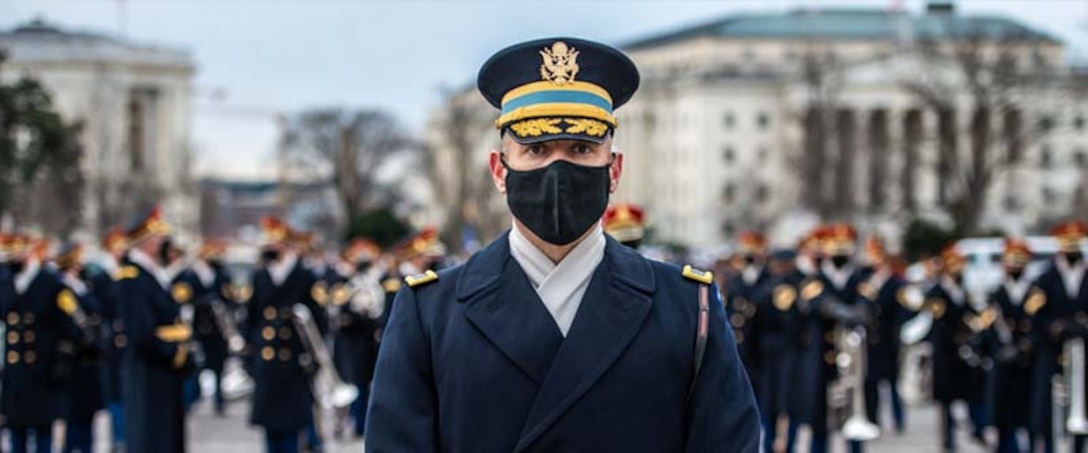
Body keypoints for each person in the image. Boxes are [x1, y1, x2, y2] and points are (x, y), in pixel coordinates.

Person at [366, 37, 760, 451]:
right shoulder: (430, 312)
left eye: (581, 148)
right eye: (535, 148)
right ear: (500, 171)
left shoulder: (687, 307)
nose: (559, 168)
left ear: (614, 169)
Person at [116, 207, 194, 453]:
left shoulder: (153, 275)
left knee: (166, 439)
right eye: (159, 239)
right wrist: (176, 352)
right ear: (147, 243)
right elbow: (141, 332)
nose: (163, 244)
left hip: (163, 373)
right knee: (150, 440)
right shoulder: (132, 278)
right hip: (147, 372)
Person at [245, 216, 326, 453]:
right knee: (270, 425)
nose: (269, 247)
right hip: (267, 361)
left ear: (288, 245)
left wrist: (313, 356)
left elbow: (318, 320)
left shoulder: (305, 276)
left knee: (292, 425)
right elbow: (251, 317)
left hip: (294, 360)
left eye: (275, 242)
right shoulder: (260, 276)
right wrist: (250, 354)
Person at [0, 235, 83, 453]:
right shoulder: (6, 280)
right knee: (15, 434)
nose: (12, 260)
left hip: (42, 372)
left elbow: (71, 325)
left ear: (29, 253)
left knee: (43, 435)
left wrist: (63, 358)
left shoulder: (50, 282)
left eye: (16, 254)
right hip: (15, 375)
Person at [1029, 221, 1088, 453]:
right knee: (1046, 404)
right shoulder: (1045, 278)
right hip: (1053, 350)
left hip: (1083, 351)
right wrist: (1054, 328)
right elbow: (1035, 314)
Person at [923, 245, 985, 453]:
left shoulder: (963, 291)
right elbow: (939, 324)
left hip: (963, 353)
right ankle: (947, 439)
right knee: (946, 401)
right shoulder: (937, 292)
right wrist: (957, 338)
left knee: (971, 394)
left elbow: (970, 314)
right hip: (945, 354)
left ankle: (977, 429)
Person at [987, 238, 1040, 453]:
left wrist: (1027, 347)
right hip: (1004, 365)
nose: (1015, 266)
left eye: (1020, 261)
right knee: (1004, 418)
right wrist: (998, 350)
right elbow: (989, 326)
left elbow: (1038, 325)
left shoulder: (1034, 293)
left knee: (1029, 416)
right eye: (1011, 261)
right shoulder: (996, 293)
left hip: (1027, 364)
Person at [53, 242, 106, 453]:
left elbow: (96, 311)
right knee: (74, 418)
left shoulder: (81, 286)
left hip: (88, 361)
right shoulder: (64, 289)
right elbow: (74, 323)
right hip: (75, 360)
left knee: (87, 417)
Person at [860, 236, 911, 435]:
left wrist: (898, 330)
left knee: (892, 383)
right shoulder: (866, 281)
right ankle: (873, 419)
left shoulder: (896, 283)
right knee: (870, 383)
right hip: (870, 341)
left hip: (888, 340)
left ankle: (898, 420)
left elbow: (904, 309)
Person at [84, 227, 129, 451]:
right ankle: (118, 437)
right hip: (112, 341)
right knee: (115, 395)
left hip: (127, 341)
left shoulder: (128, 274)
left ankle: (125, 436)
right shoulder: (102, 277)